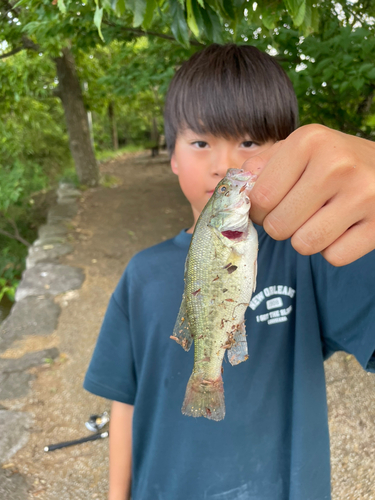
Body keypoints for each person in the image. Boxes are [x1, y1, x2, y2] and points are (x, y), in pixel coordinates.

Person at [83, 44, 375, 500]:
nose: (225, 166)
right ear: (173, 156)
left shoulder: (314, 253)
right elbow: (125, 401)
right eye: (201, 142)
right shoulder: (140, 276)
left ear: (287, 151)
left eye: (250, 142)